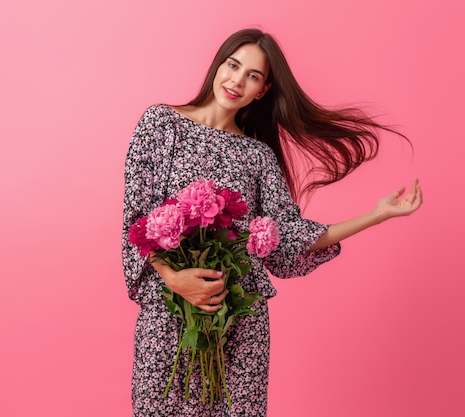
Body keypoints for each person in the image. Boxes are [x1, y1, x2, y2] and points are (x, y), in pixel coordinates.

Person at [121, 28, 423, 417]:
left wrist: (377, 214)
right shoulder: (161, 124)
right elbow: (137, 219)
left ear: (262, 90)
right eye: (234, 66)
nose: (237, 81)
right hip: (168, 314)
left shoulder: (258, 155)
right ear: (219, 64)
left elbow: (288, 236)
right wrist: (172, 277)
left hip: (239, 322)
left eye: (253, 76)